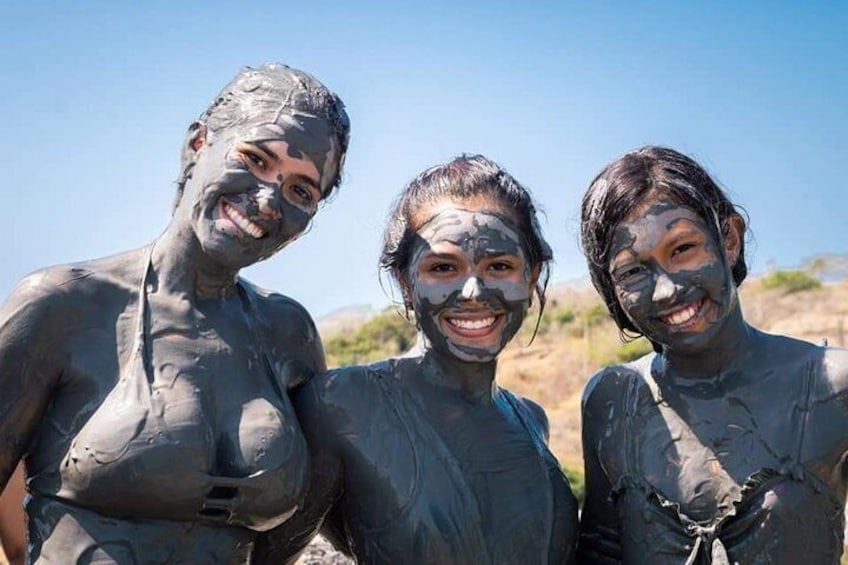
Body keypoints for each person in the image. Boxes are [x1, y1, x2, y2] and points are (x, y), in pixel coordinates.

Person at [0, 62, 349, 563]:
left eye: (301, 190)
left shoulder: (288, 335)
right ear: (198, 144)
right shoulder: (62, 305)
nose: (269, 199)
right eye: (253, 158)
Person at [252, 154, 579, 564]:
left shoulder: (532, 420)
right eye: (443, 267)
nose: (474, 292)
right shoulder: (342, 405)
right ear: (406, 283)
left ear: (530, 278)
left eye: (500, 266)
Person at [577, 145, 848, 564]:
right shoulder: (612, 401)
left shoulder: (831, 385)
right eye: (632, 271)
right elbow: (601, 549)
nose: (666, 290)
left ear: (729, 239)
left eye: (682, 249)